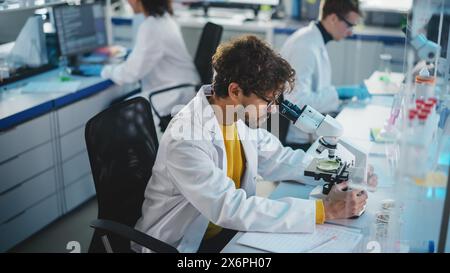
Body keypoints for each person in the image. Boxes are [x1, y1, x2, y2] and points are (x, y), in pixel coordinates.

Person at [133, 35, 373, 253]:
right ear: (235, 91)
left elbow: (279, 159)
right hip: (183, 246)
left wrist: (343, 169)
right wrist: (325, 210)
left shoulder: (233, 116)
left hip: (223, 233)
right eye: (269, 101)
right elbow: (230, 207)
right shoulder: (186, 138)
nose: (275, 109)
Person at [280, 0, 369, 150]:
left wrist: (338, 96)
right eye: (349, 25)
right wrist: (337, 93)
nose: (351, 32)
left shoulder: (314, 40)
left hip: (309, 130)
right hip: (297, 140)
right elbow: (297, 102)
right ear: (333, 18)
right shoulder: (305, 46)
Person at [101, 0, 200, 131]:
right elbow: (146, 56)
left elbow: (131, 73)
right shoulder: (165, 18)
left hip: (175, 93)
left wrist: (105, 70)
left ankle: (139, 151)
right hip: (184, 88)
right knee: (118, 108)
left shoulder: (152, 26)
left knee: (116, 115)